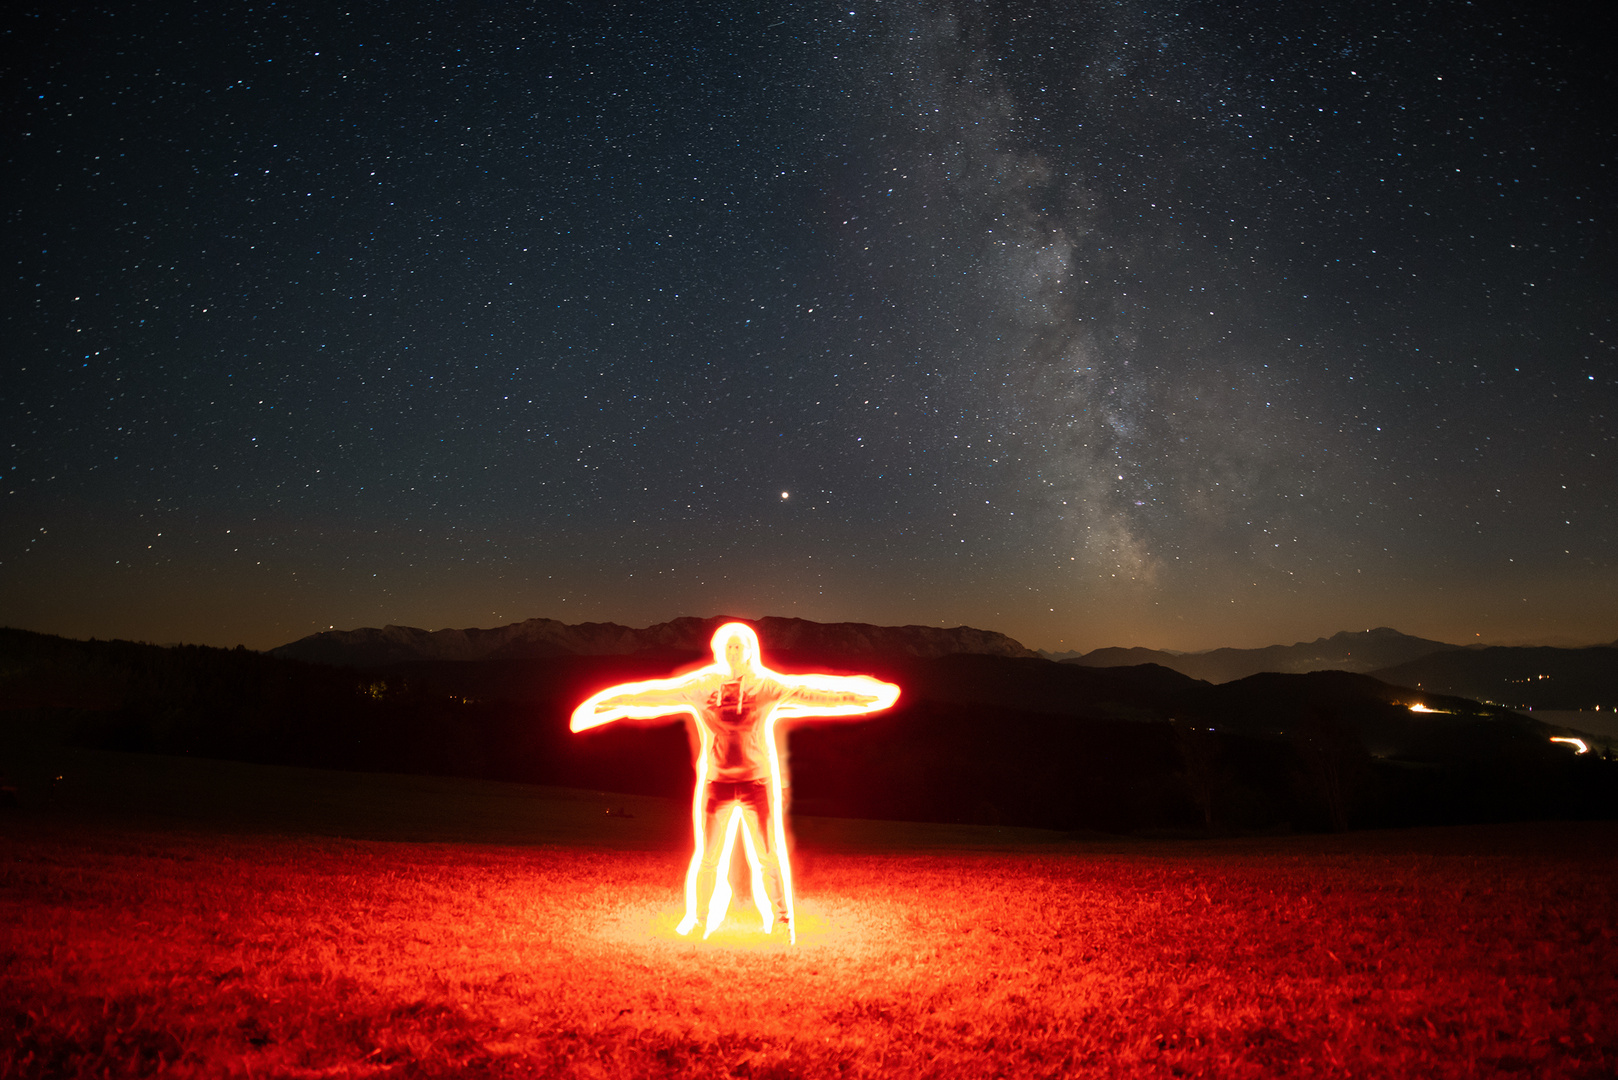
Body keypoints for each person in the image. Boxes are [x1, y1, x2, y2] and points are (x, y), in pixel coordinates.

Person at [571, 622, 898, 942]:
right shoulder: (703, 686)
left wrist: (862, 698)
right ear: (719, 650)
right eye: (728, 645)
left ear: (750, 651)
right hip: (716, 785)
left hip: (758, 784)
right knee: (709, 858)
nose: (733, 651)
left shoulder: (765, 685)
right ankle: (698, 921)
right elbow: (654, 696)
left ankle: (783, 924)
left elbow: (813, 694)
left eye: (739, 646)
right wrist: (606, 704)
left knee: (768, 857)